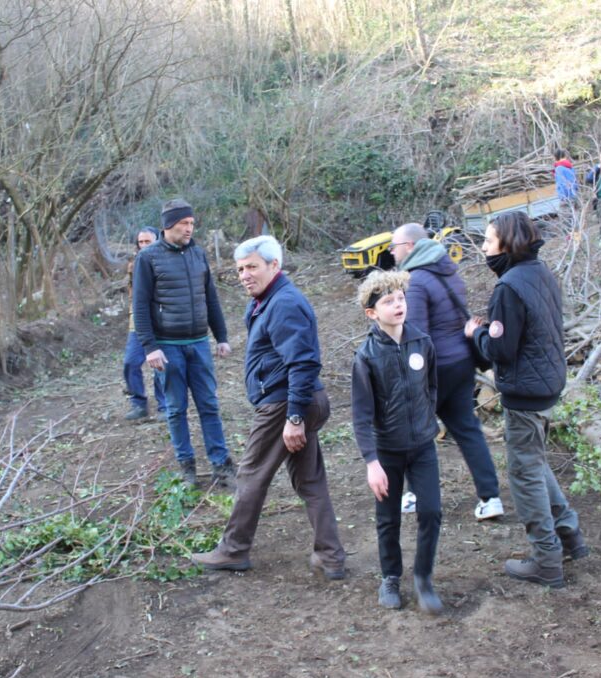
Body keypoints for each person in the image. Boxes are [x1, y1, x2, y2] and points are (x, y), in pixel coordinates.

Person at [191, 236, 347, 579]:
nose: (245, 275)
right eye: (240, 269)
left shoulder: (284, 303)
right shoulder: (265, 301)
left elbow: (304, 363)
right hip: (294, 402)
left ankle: (233, 550)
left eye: (252, 267)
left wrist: (293, 417)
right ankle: (331, 556)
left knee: (250, 475)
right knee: (309, 478)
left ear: (274, 265)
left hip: (285, 404)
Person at [464, 211, 589, 589]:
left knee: (523, 473)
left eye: (488, 241)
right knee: (534, 463)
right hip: (548, 383)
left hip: (526, 393)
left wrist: (475, 334)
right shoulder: (540, 272)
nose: (483, 248)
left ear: (506, 243)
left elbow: (500, 351)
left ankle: (546, 559)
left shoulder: (509, 287)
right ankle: (570, 537)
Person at [389, 223, 505, 522]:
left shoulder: (415, 281)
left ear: (411, 247)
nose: (391, 251)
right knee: (467, 427)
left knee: (417, 430)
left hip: (435, 367)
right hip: (462, 362)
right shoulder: (448, 271)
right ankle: (491, 498)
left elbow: (417, 335)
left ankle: (417, 495)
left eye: (395, 245)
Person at [352, 270, 444, 614]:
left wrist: (424, 422)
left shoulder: (423, 342)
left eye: (400, 298)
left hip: (422, 445)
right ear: (372, 313)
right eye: (388, 301)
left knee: (431, 511)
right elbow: (361, 416)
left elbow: (431, 388)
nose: (397, 305)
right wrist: (371, 463)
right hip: (387, 450)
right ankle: (390, 577)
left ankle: (423, 578)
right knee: (388, 518)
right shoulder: (366, 356)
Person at [133, 198, 235, 488]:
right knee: (176, 409)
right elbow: (140, 306)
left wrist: (222, 337)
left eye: (191, 223)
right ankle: (186, 467)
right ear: (168, 226)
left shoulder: (198, 254)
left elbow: (211, 297)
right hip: (167, 346)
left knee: (209, 405)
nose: (189, 228)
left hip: (199, 343)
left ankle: (221, 464)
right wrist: (150, 347)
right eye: (183, 224)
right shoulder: (148, 258)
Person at [123, 227, 167, 421]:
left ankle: (165, 405)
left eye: (147, 242)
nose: (143, 246)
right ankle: (138, 403)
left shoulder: (165, 261)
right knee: (130, 362)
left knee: (160, 364)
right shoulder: (133, 265)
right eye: (140, 242)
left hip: (161, 318)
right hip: (138, 319)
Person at [552, 149, 578, 234]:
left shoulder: (559, 168)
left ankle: (569, 242)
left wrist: (563, 198)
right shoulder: (569, 166)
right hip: (573, 195)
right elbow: (575, 182)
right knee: (574, 219)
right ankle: (577, 239)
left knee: (566, 221)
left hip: (566, 197)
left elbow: (562, 184)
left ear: (556, 157)